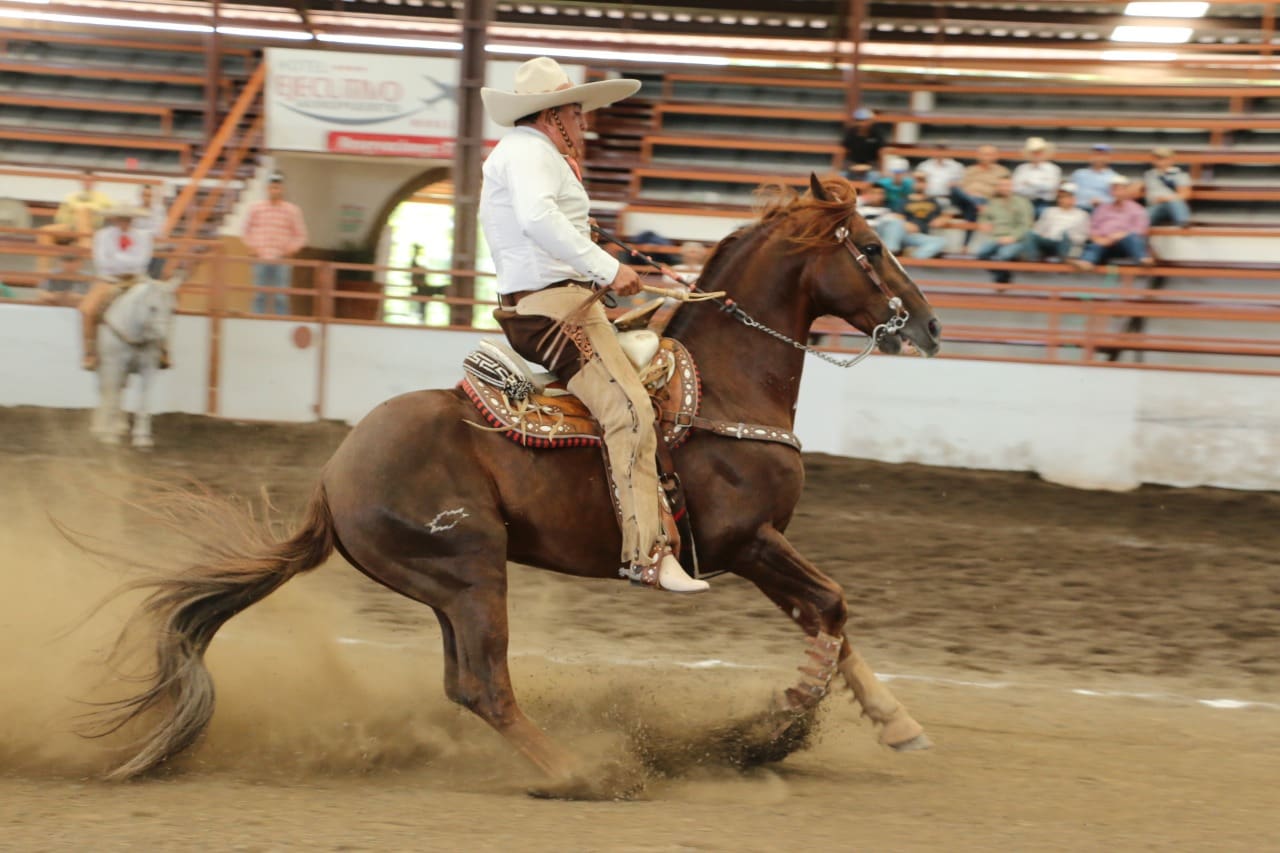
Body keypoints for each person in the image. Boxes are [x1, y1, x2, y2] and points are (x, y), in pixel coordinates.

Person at [478, 56, 708, 593]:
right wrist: (606, 267)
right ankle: (646, 553)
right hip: (553, 308)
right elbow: (538, 219)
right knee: (629, 410)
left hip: (563, 301)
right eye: (576, 112)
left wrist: (596, 250)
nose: (584, 120)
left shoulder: (531, 154)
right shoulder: (529, 152)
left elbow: (548, 221)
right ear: (552, 115)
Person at [79, 206, 154, 370]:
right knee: (87, 310)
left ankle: (161, 351)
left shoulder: (143, 236)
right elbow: (101, 262)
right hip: (109, 280)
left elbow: (142, 262)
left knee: (159, 306)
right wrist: (126, 263)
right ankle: (89, 353)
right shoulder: (102, 235)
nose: (124, 222)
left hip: (136, 280)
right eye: (121, 218)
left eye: (127, 219)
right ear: (114, 220)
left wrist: (117, 259)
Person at [241, 173, 308, 315]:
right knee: (259, 295)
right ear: (267, 189)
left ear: (282, 189)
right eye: (272, 187)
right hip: (260, 258)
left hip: (282, 259)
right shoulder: (256, 208)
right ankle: (256, 322)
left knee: (281, 296)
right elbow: (245, 230)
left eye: (277, 187)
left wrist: (291, 249)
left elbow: (301, 235)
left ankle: (281, 324)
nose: (274, 190)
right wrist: (252, 247)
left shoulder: (292, 210)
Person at [36, 170, 114, 274]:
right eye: (85, 180)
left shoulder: (103, 198)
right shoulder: (71, 197)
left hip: (90, 228)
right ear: (80, 181)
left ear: (96, 182)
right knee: (44, 231)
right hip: (70, 227)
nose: (87, 183)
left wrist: (86, 210)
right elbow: (60, 216)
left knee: (83, 211)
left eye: (90, 180)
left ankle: (84, 244)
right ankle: (43, 272)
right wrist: (73, 220)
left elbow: (111, 212)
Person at [1070, 177, 1154, 271]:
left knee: (1133, 238)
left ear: (1126, 191)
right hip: (1106, 243)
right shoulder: (1102, 208)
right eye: (1114, 189)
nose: (1117, 192)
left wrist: (1120, 235)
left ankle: (1143, 259)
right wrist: (1099, 239)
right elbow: (1093, 227)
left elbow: (1140, 229)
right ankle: (1086, 262)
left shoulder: (1137, 209)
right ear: (1111, 192)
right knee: (1095, 245)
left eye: (1120, 189)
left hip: (1125, 244)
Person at [972, 176, 1033, 284]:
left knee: (1003, 255)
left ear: (1013, 187)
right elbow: (984, 216)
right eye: (1001, 185)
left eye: (1007, 185)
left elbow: (1026, 224)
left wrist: (1013, 237)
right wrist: (983, 222)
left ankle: (1002, 281)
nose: (1004, 188)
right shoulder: (993, 202)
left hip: (1016, 239)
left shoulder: (1022, 202)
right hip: (996, 237)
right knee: (981, 255)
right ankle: (1003, 275)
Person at [1019, 184, 1090, 263]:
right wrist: (1043, 236)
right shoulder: (1049, 211)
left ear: (1074, 199)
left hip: (1068, 243)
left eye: (1067, 197)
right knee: (1029, 234)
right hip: (1049, 241)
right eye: (1061, 197)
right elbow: (1038, 230)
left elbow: (1084, 236)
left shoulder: (1082, 215)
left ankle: (1062, 259)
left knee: (1065, 235)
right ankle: (1033, 260)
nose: (1063, 200)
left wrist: (1071, 238)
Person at [949, 144, 1010, 224]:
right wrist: (969, 194)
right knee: (954, 188)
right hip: (966, 198)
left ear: (996, 156)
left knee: (971, 206)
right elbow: (960, 186)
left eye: (989, 154)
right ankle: (976, 204)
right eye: (983, 154)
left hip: (987, 200)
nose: (986, 157)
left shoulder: (1002, 171)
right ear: (978, 155)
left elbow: (1004, 189)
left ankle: (974, 207)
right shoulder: (969, 170)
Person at [898, 176, 949, 259]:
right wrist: (905, 224)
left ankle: (912, 260)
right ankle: (912, 261)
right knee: (937, 242)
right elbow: (896, 217)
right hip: (906, 234)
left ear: (926, 184)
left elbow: (944, 215)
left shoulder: (932, 201)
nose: (920, 185)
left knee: (941, 241)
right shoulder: (903, 200)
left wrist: (942, 219)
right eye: (917, 182)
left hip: (923, 235)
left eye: (922, 182)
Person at [1011, 137, 1062, 219]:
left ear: (1044, 153)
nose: (1036, 154)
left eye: (1039, 152)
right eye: (1033, 152)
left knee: (1043, 214)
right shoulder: (1021, 168)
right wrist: (1040, 186)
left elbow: (1051, 187)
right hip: (1023, 202)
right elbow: (1016, 188)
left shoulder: (1053, 169)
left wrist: (1030, 183)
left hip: (1045, 203)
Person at [1143, 146, 1192, 227]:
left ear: (1171, 159)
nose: (1160, 160)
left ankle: (1182, 222)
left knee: (1175, 202)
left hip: (1173, 205)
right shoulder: (1149, 174)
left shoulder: (1180, 175)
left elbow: (1185, 194)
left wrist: (1164, 199)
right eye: (1158, 158)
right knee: (1141, 217)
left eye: (1163, 158)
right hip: (1154, 206)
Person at [1068, 144, 1123, 212]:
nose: (1098, 158)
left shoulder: (1115, 178)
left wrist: (1102, 201)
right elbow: (1068, 191)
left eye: (1101, 155)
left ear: (1108, 158)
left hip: (1101, 210)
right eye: (1095, 154)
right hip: (1076, 209)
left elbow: (1117, 198)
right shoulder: (1079, 173)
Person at [841, 107, 889, 181]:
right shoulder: (850, 133)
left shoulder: (877, 133)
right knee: (842, 177)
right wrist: (838, 168)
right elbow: (843, 151)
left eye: (864, 120)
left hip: (872, 166)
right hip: (852, 165)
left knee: (877, 178)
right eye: (858, 120)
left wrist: (882, 170)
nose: (861, 123)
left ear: (870, 121)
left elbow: (881, 152)